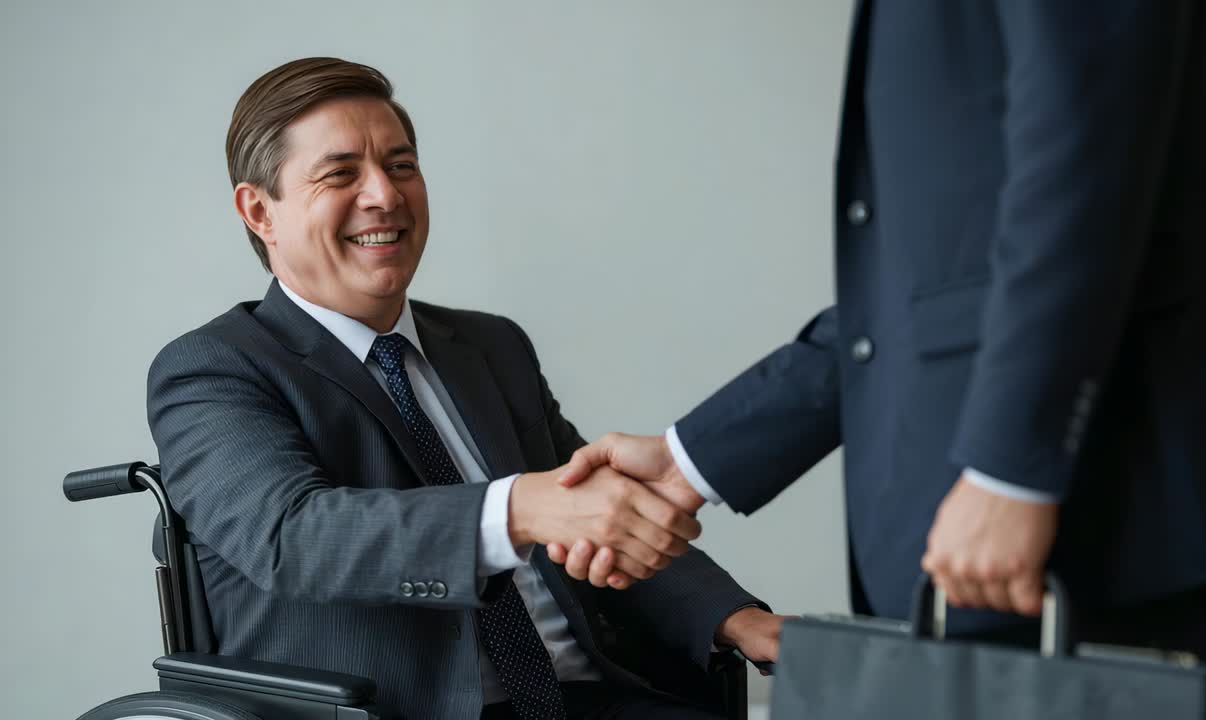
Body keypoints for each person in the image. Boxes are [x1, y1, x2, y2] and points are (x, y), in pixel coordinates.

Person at [556, 0, 1206, 674]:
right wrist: (690, 461)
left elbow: (1086, 158)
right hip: (1048, 493)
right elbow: (920, 297)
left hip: (1115, 483)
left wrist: (1011, 470)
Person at [147, 57, 781, 720]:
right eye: (341, 173)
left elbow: (600, 517)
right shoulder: (213, 369)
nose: (385, 195)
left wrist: (738, 620)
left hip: (588, 699)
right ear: (259, 211)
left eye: (401, 165)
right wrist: (517, 510)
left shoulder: (491, 347)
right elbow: (294, 538)